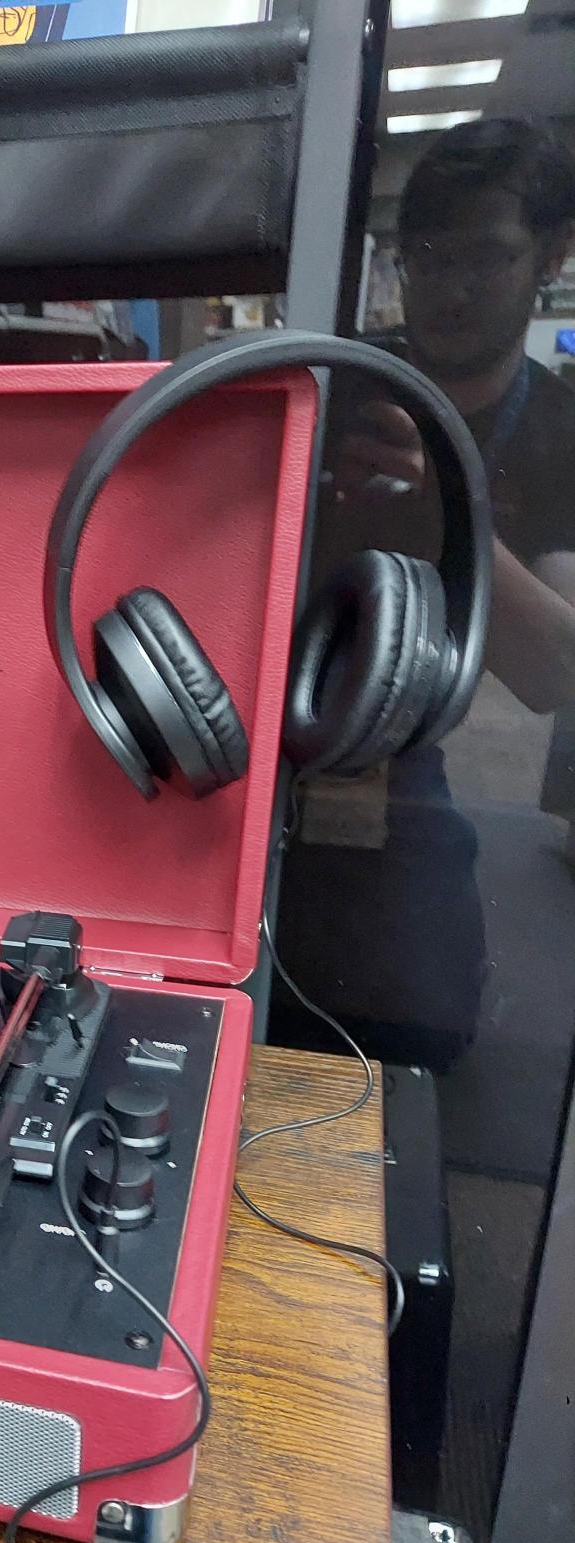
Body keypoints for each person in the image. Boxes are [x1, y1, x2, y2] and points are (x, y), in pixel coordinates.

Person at [275, 119, 575, 1072]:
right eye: (426, 256)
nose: (449, 286)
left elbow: (553, 670)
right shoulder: (326, 376)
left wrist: (450, 508)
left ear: (552, 258)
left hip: (400, 769)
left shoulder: (562, 429)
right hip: (257, 742)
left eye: (487, 255)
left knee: (420, 1034)